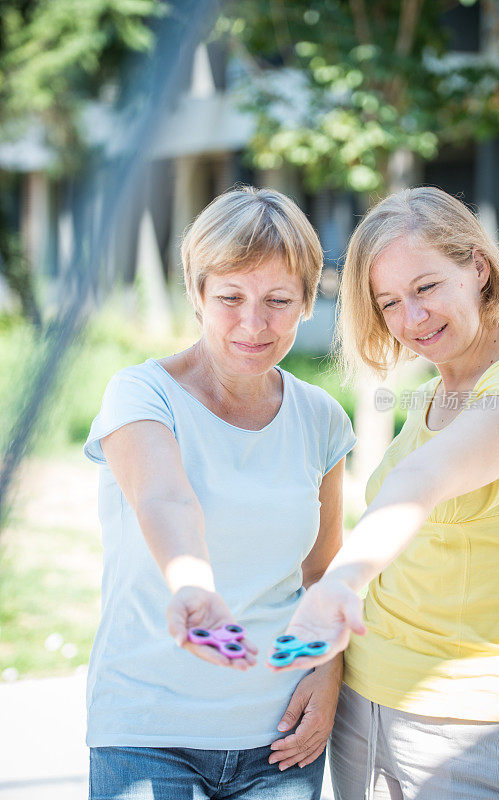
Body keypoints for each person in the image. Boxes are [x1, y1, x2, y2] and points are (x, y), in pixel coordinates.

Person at [83, 186, 356, 800]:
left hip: (278, 742)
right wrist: (193, 587)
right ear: (197, 295)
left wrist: (328, 672)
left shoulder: (322, 419)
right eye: (230, 297)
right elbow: (164, 499)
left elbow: (324, 573)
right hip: (147, 734)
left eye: (278, 300)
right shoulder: (142, 394)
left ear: (308, 302)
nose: (253, 324)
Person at [271, 187, 499, 800]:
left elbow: (423, 482)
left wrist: (340, 582)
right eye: (389, 302)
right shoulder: (435, 393)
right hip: (368, 706)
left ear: (477, 267)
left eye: (426, 288)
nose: (412, 319)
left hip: (471, 727)